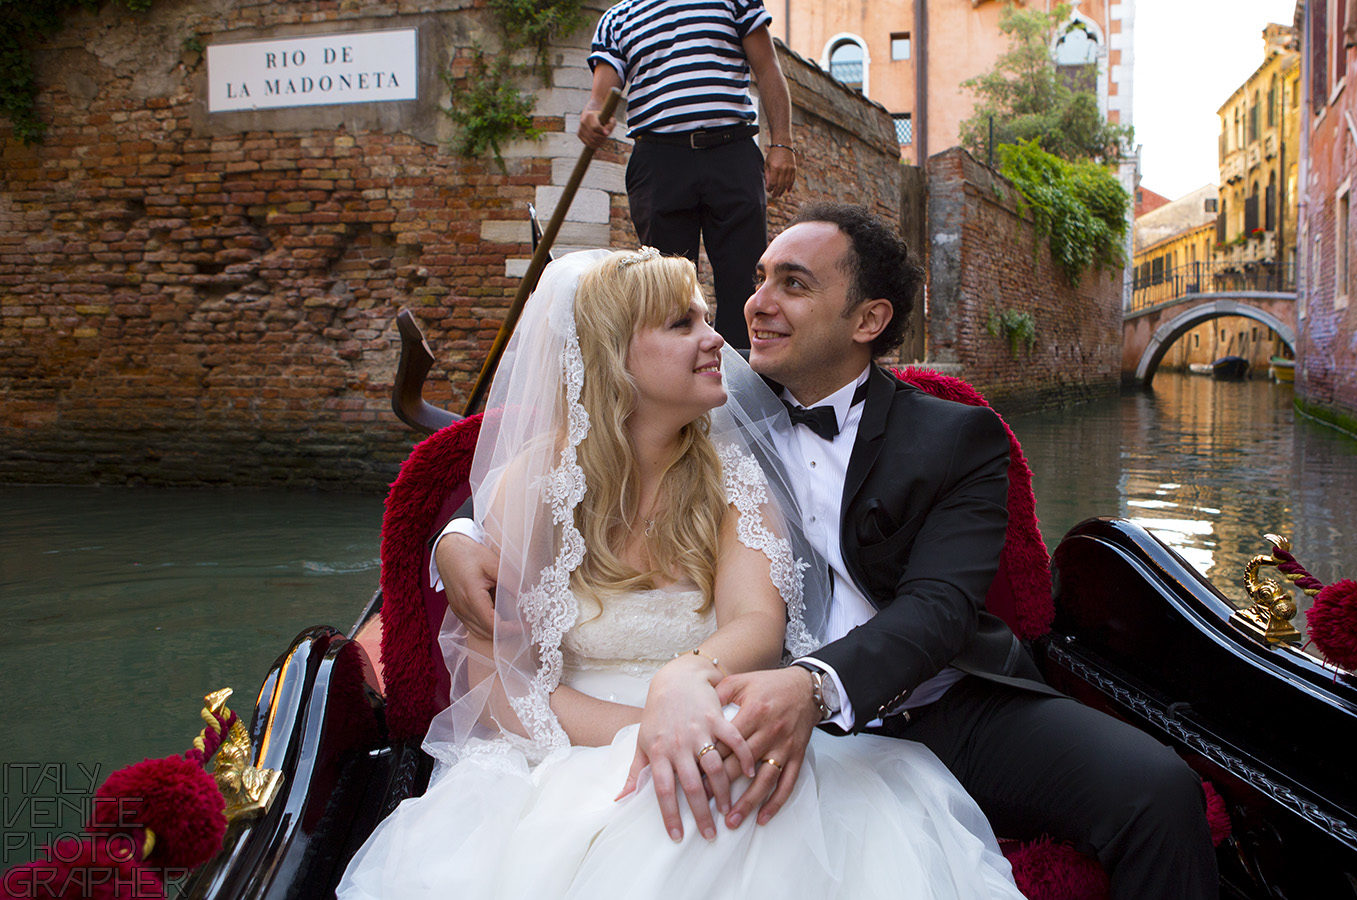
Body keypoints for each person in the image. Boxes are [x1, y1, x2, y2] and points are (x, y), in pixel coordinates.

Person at [437, 207, 1221, 899]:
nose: (755, 305)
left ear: (867, 318)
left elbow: (939, 610)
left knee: (1156, 790)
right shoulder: (715, 410)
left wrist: (812, 688)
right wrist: (460, 534)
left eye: (793, 284)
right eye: (758, 278)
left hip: (929, 703)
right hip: (742, 709)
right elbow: (573, 440)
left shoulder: (955, 437)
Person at [339, 248, 1026, 899]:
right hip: (565, 749)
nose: (714, 340)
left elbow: (758, 622)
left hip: (718, 719)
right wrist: (647, 731)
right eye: (682, 323)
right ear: (614, 358)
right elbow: (499, 678)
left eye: (704, 316)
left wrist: (688, 695)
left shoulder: (733, 475)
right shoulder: (536, 482)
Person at [578, 0, 797, 349]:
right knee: (667, 287)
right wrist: (592, 112)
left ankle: (745, 389)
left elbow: (768, 67)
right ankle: (680, 387)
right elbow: (598, 98)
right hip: (659, 162)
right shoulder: (617, 19)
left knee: (744, 281)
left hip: (732, 152)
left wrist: (782, 144)